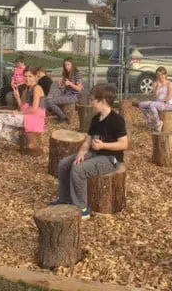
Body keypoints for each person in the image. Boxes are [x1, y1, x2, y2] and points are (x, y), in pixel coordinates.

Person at [52, 84, 128, 220]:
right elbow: (87, 141)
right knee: (64, 164)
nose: (91, 102)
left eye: (93, 99)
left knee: (78, 170)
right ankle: (65, 199)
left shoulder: (117, 120)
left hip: (111, 159)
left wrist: (104, 145)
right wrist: (81, 152)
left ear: (103, 101)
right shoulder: (95, 119)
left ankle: (83, 209)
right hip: (94, 154)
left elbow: (124, 144)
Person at [0, 68, 46, 156]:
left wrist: (19, 113)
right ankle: (22, 142)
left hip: (34, 118)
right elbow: (22, 107)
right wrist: (18, 98)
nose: (27, 78)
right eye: (25, 76)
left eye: (30, 76)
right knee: (1, 132)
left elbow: (34, 109)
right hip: (27, 116)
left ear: (35, 77)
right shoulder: (26, 90)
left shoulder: (37, 88)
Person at [45, 58, 82, 123]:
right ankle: (60, 116)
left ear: (72, 65)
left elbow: (79, 89)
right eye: (65, 65)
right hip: (66, 94)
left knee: (50, 101)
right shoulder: (66, 74)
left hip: (74, 96)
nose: (66, 67)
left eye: (68, 65)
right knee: (47, 101)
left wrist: (70, 83)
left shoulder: (77, 74)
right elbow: (63, 88)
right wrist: (60, 86)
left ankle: (64, 119)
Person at [138, 66, 172, 131]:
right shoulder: (155, 84)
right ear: (157, 76)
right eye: (159, 75)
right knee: (141, 104)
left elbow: (169, 96)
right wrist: (157, 87)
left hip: (167, 104)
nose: (161, 76)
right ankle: (151, 121)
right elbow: (154, 97)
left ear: (165, 75)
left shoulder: (169, 84)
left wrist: (161, 101)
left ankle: (157, 123)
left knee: (152, 105)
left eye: (162, 74)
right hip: (158, 103)